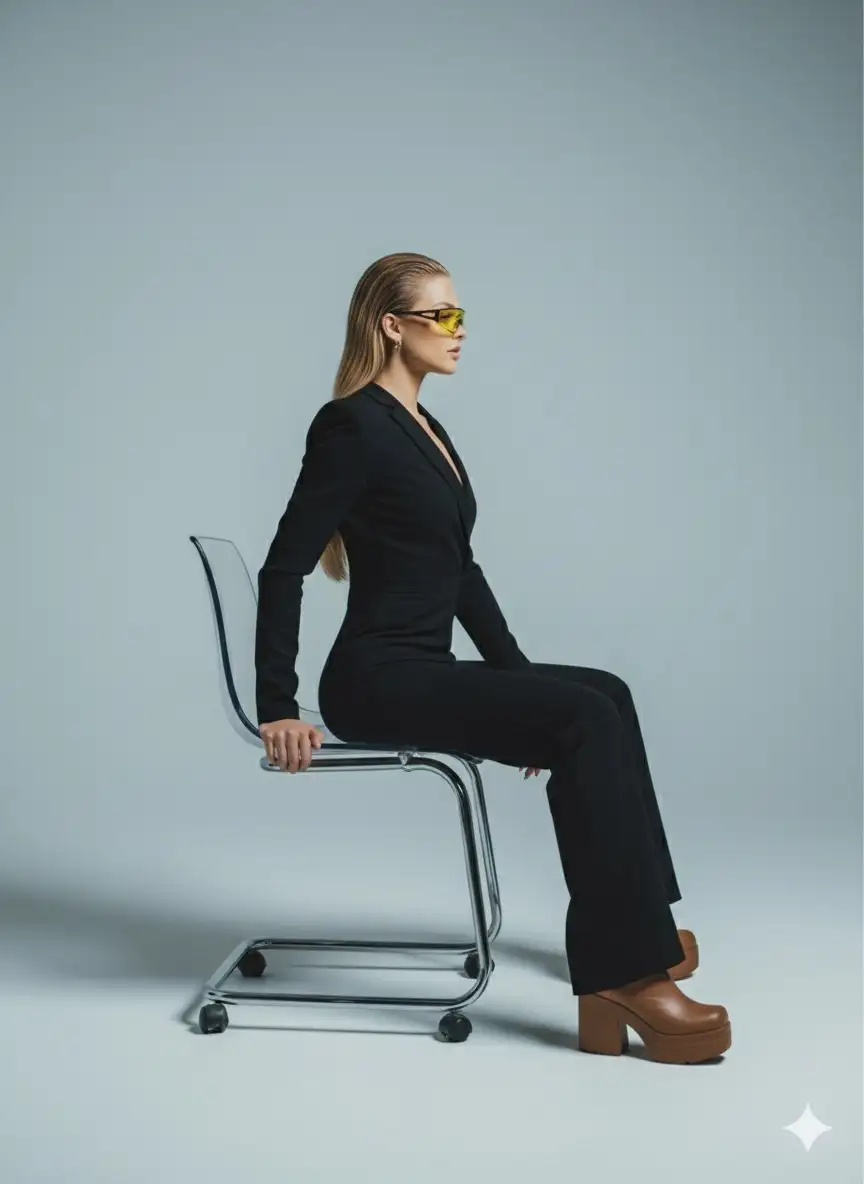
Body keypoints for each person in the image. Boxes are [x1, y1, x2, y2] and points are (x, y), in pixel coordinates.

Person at [254, 251, 731, 1065]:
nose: (458, 329)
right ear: (391, 325)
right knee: (582, 718)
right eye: (441, 315)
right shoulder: (351, 425)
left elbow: (461, 571)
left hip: (423, 671)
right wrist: (277, 704)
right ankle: (627, 973)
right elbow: (284, 566)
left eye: (460, 314)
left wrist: (518, 681)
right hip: (376, 681)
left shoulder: (427, 428)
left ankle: (639, 920)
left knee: (606, 693)